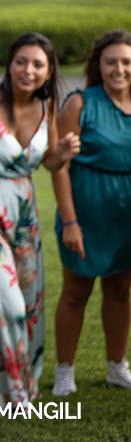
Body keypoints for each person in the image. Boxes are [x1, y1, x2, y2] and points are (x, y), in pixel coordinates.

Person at [0, 33, 79, 411]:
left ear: (48, 73)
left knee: (27, 305)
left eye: (37, 65)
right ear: (10, 63)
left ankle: (20, 386)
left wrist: (59, 155)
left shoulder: (49, 108)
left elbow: (49, 164)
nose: (28, 70)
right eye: (21, 61)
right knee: (3, 300)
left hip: (24, 216)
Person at [51, 29, 131, 395]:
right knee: (75, 292)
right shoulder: (80, 104)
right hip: (85, 212)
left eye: (126, 62)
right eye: (111, 61)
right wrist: (70, 222)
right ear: (98, 65)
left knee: (120, 290)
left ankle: (117, 366)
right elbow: (60, 166)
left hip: (125, 216)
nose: (119, 69)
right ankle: (65, 371)